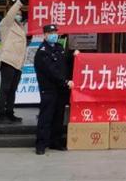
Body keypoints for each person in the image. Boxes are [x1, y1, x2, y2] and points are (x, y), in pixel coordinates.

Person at [34, 24, 72, 155]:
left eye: (55, 32)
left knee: (58, 117)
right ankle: (41, 144)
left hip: (60, 90)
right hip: (48, 89)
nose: (54, 35)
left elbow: (66, 63)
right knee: (46, 117)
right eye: (51, 33)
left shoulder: (59, 48)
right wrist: (65, 81)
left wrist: (75, 56)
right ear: (45, 35)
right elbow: (51, 71)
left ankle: (55, 141)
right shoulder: (42, 52)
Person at [0, 0, 30, 125]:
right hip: (8, 61)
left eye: (20, 14)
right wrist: (22, 0)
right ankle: (0, 115)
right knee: (5, 89)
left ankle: (10, 113)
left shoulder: (22, 28)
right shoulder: (6, 24)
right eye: (17, 13)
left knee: (12, 90)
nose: (19, 15)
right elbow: (12, 12)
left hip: (18, 64)